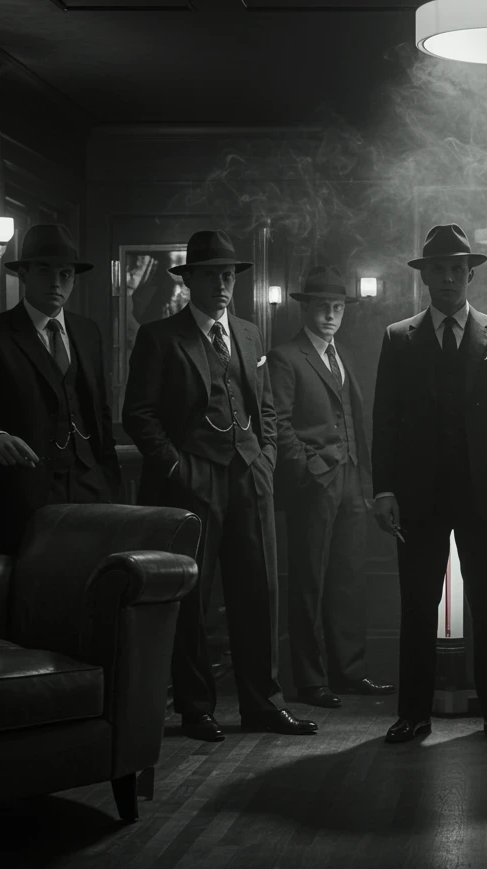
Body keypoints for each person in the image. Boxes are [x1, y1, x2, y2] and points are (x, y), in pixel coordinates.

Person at [123, 229, 315, 742]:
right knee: (192, 599)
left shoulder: (250, 335)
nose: (222, 284)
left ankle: (263, 705)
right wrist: (177, 470)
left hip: (250, 475)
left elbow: (266, 409)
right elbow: (139, 416)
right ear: (191, 282)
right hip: (193, 480)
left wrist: (267, 458)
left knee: (259, 593)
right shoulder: (160, 336)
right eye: (211, 275)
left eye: (228, 275)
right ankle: (195, 707)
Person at [371, 223, 487, 745]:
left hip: (483, 490)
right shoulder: (399, 337)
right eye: (438, 269)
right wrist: (384, 490)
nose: (447, 277)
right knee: (418, 604)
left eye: (456, 269)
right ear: (425, 277)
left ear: (469, 275)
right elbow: (385, 420)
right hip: (418, 493)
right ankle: (413, 714)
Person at [0, 223, 120, 554]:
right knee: (30, 596)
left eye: (65, 274)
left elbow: (100, 412)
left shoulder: (87, 332)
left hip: (91, 489)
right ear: (23, 275)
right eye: (44, 271)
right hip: (26, 493)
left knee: (90, 591)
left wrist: (109, 483)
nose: (56, 282)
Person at [267, 265, 395, 709]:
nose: (330, 314)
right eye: (322, 307)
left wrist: (363, 479)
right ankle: (309, 679)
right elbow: (279, 424)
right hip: (314, 484)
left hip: (350, 483)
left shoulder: (343, 356)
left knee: (347, 580)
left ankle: (349, 671)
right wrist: (307, 470)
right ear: (307, 309)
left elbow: (356, 422)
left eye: (337, 307)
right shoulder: (287, 357)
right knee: (309, 583)